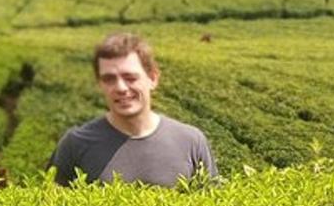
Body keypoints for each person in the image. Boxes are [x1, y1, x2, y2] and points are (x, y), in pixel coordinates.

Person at [49, 32, 217, 186]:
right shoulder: (75, 144)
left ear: (152, 78)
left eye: (130, 78)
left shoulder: (190, 142)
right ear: (99, 84)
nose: (121, 88)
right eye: (109, 79)